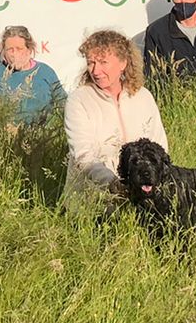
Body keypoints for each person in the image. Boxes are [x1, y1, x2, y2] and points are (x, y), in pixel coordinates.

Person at [63, 29, 169, 207]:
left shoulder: (143, 96)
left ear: (123, 63)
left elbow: (159, 147)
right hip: (93, 201)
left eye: (103, 62)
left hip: (142, 197)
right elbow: (83, 155)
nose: (96, 70)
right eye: (91, 63)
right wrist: (113, 184)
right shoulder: (78, 100)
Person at [0, 25, 67, 128]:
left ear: (29, 50)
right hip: (7, 136)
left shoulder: (45, 71)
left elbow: (63, 103)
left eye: (19, 49)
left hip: (45, 135)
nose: (14, 54)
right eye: (10, 49)